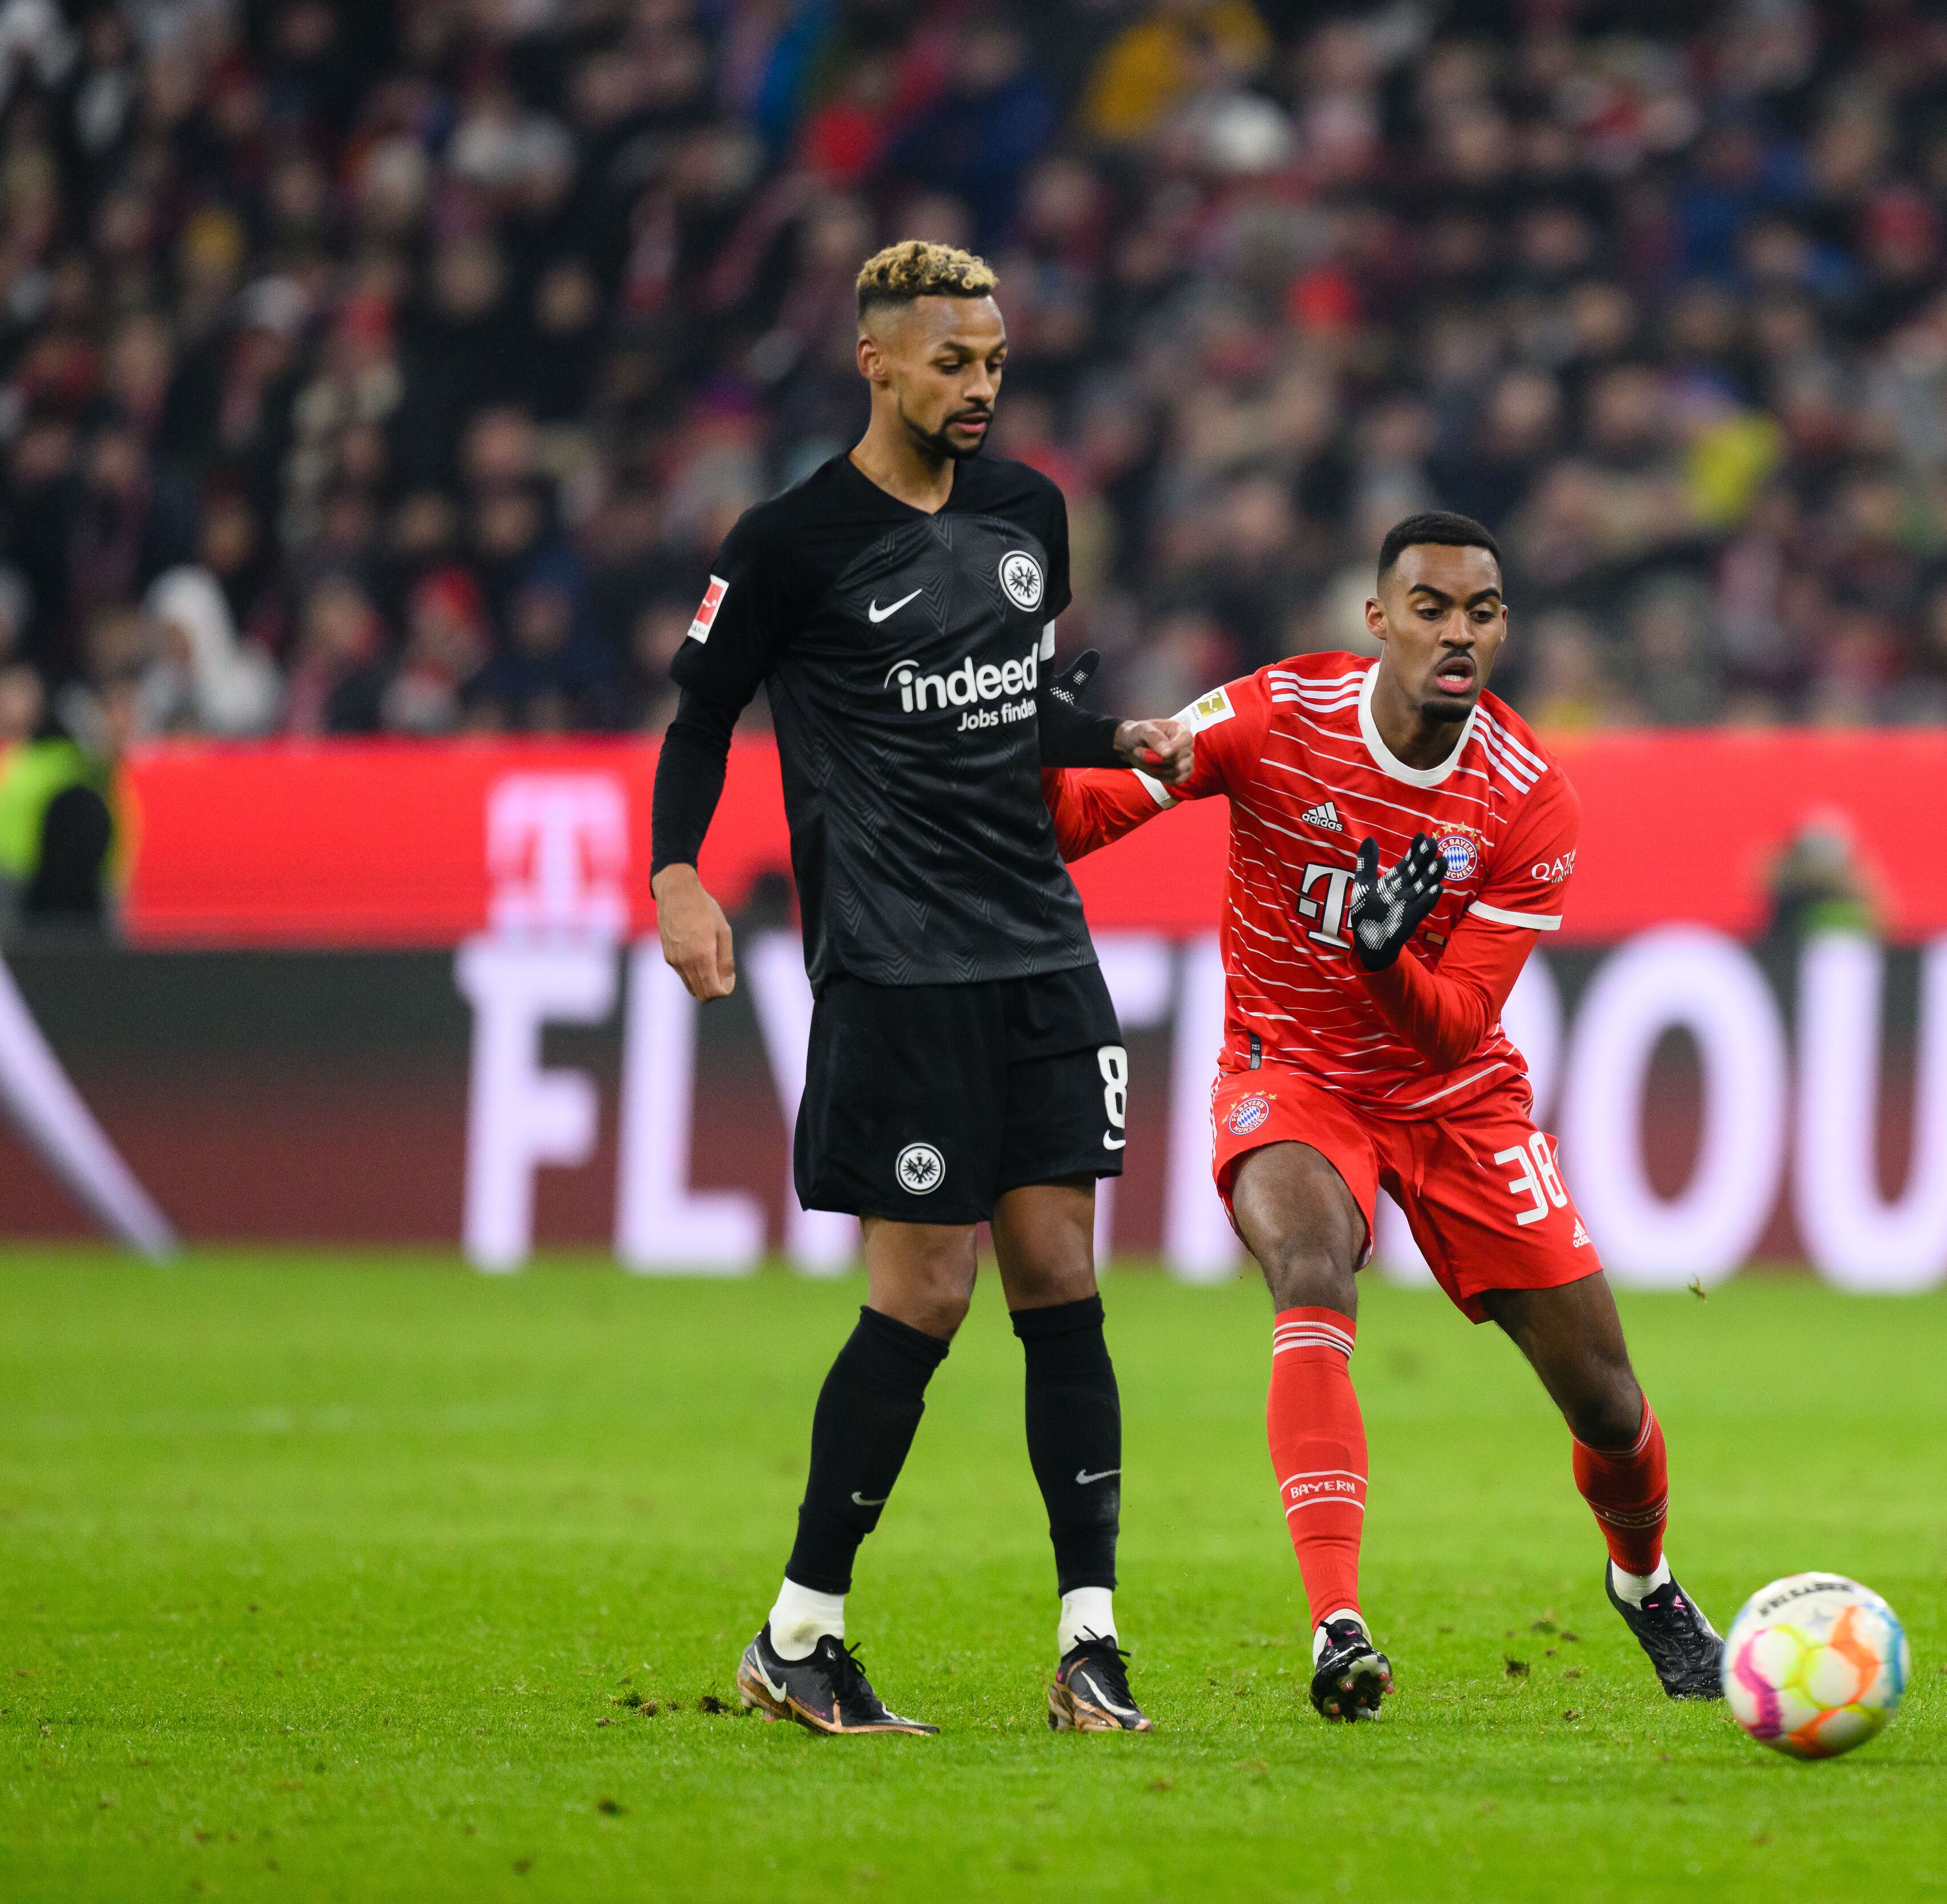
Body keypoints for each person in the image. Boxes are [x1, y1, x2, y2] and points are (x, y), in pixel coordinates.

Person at [1040, 511, 1727, 1721]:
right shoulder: (1272, 715)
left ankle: (1646, 1579)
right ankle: (1336, 1620)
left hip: (1455, 1097)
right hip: (1289, 1067)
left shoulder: (1528, 800)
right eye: (1430, 608)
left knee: (1609, 1403)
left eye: (1480, 612)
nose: (1456, 633)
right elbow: (1081, 819)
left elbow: (1456, 1023)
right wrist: (1032, 738)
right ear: (1378, 619)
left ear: (1502, 627)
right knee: (1312, 1265)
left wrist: (1380, 957)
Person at [648, 240, 1190, 1737]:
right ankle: (800, 1626)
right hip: (897, 963)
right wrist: (677, 874)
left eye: (997, 363)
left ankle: (1094, 1638)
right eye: (953, 362)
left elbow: (1022, 696)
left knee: (1064, 1281)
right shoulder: (789, 542)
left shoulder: (1030, 514)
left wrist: (1114, 737)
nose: (980, 388)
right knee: (927, 1291)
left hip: (1041, 949)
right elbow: (700, 717)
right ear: (877, 362)